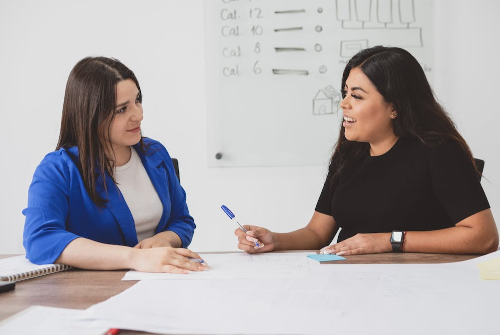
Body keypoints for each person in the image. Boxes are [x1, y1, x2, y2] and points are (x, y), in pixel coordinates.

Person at [235, 46, 499, 255]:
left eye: (357, 96)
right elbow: (317, 233)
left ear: (395, 107)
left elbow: (484, 237)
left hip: (417, 289)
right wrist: (275, 240)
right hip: (350, 282)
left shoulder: (439, 152)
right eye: (345, 92)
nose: (343, 104)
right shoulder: (349, 155)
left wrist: (389, 241)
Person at [23, 57, 206, 274]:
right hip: (92, 293)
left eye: (138, 100)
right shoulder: (57, 169)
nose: (139, 115)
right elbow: (40, 239)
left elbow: (181, 219)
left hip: (159, 285)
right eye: (122, 109)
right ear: (91, 115)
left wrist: (164, 239)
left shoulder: (156, 153)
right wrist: (134, 258)